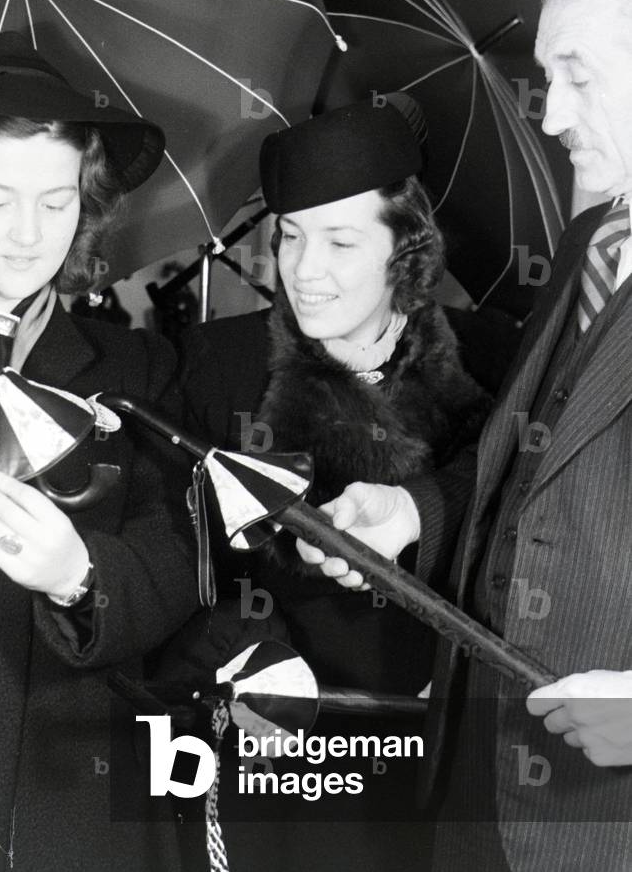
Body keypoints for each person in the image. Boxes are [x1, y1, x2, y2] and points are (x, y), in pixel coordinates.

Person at [299, 0, 632, 871]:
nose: (551, 112)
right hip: (480, 779)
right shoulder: (588, 244)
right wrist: (412, 509)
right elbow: (530, 465)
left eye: (578, 73)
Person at [169, 95, 493, 871]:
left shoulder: (499, 360)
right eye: (288, 236)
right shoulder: (214, 364)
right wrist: (243, 654)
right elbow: (165, 563)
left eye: (341, 241)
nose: (303, 271)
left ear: (407, 250)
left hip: (446, 768)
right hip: (275, 757)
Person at [0, 32, 198, 872]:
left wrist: (78, 577)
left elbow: (178, 560)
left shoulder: (136, 365)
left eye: (55, 203)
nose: (28, 235)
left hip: (76, 801)